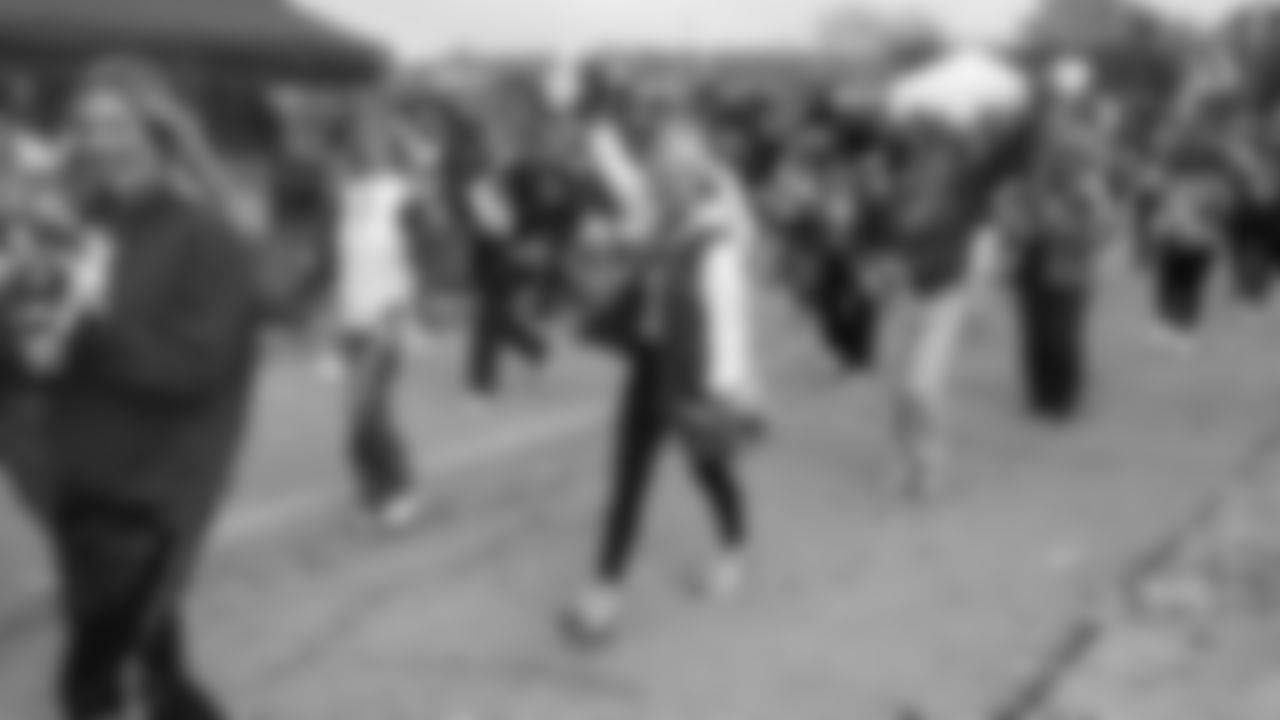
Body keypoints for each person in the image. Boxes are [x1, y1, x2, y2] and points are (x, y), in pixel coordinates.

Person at [20, 58, 261, 720]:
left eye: (117, 125)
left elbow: (192, 369)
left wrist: (85, 331)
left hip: (153, 491)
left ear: (160, 131)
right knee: (157, 661)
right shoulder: (66, 228)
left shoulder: (208, 239)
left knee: (90, 681)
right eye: (87, 126)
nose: (100, 141)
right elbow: (37, 352)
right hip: (76, 473)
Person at [566, 112, 762, 645]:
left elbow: (727, 320)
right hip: (651, 362)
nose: (659, 182)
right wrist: (593, 121)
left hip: (697, 373)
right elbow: (623, 179)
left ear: (695, 176)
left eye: (672, 173)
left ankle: (733, 545)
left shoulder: (716, 237)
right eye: (657, 171)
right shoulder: (657, 211)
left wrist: (727, 393)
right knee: (628, 480)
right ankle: (603, 595)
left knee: (707, 471)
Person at [332, 100, 424, 527]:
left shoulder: (403, 195)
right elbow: (342, 259)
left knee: (367, 411)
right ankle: (373, 485)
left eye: (375, 137)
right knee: (359, 415)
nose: (366, 145)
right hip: (351, 316)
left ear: (388, 144)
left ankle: (401, 487)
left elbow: (423, 255)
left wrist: (401, 310)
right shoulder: (348, 193)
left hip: (387, 316)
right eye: (359, 137)